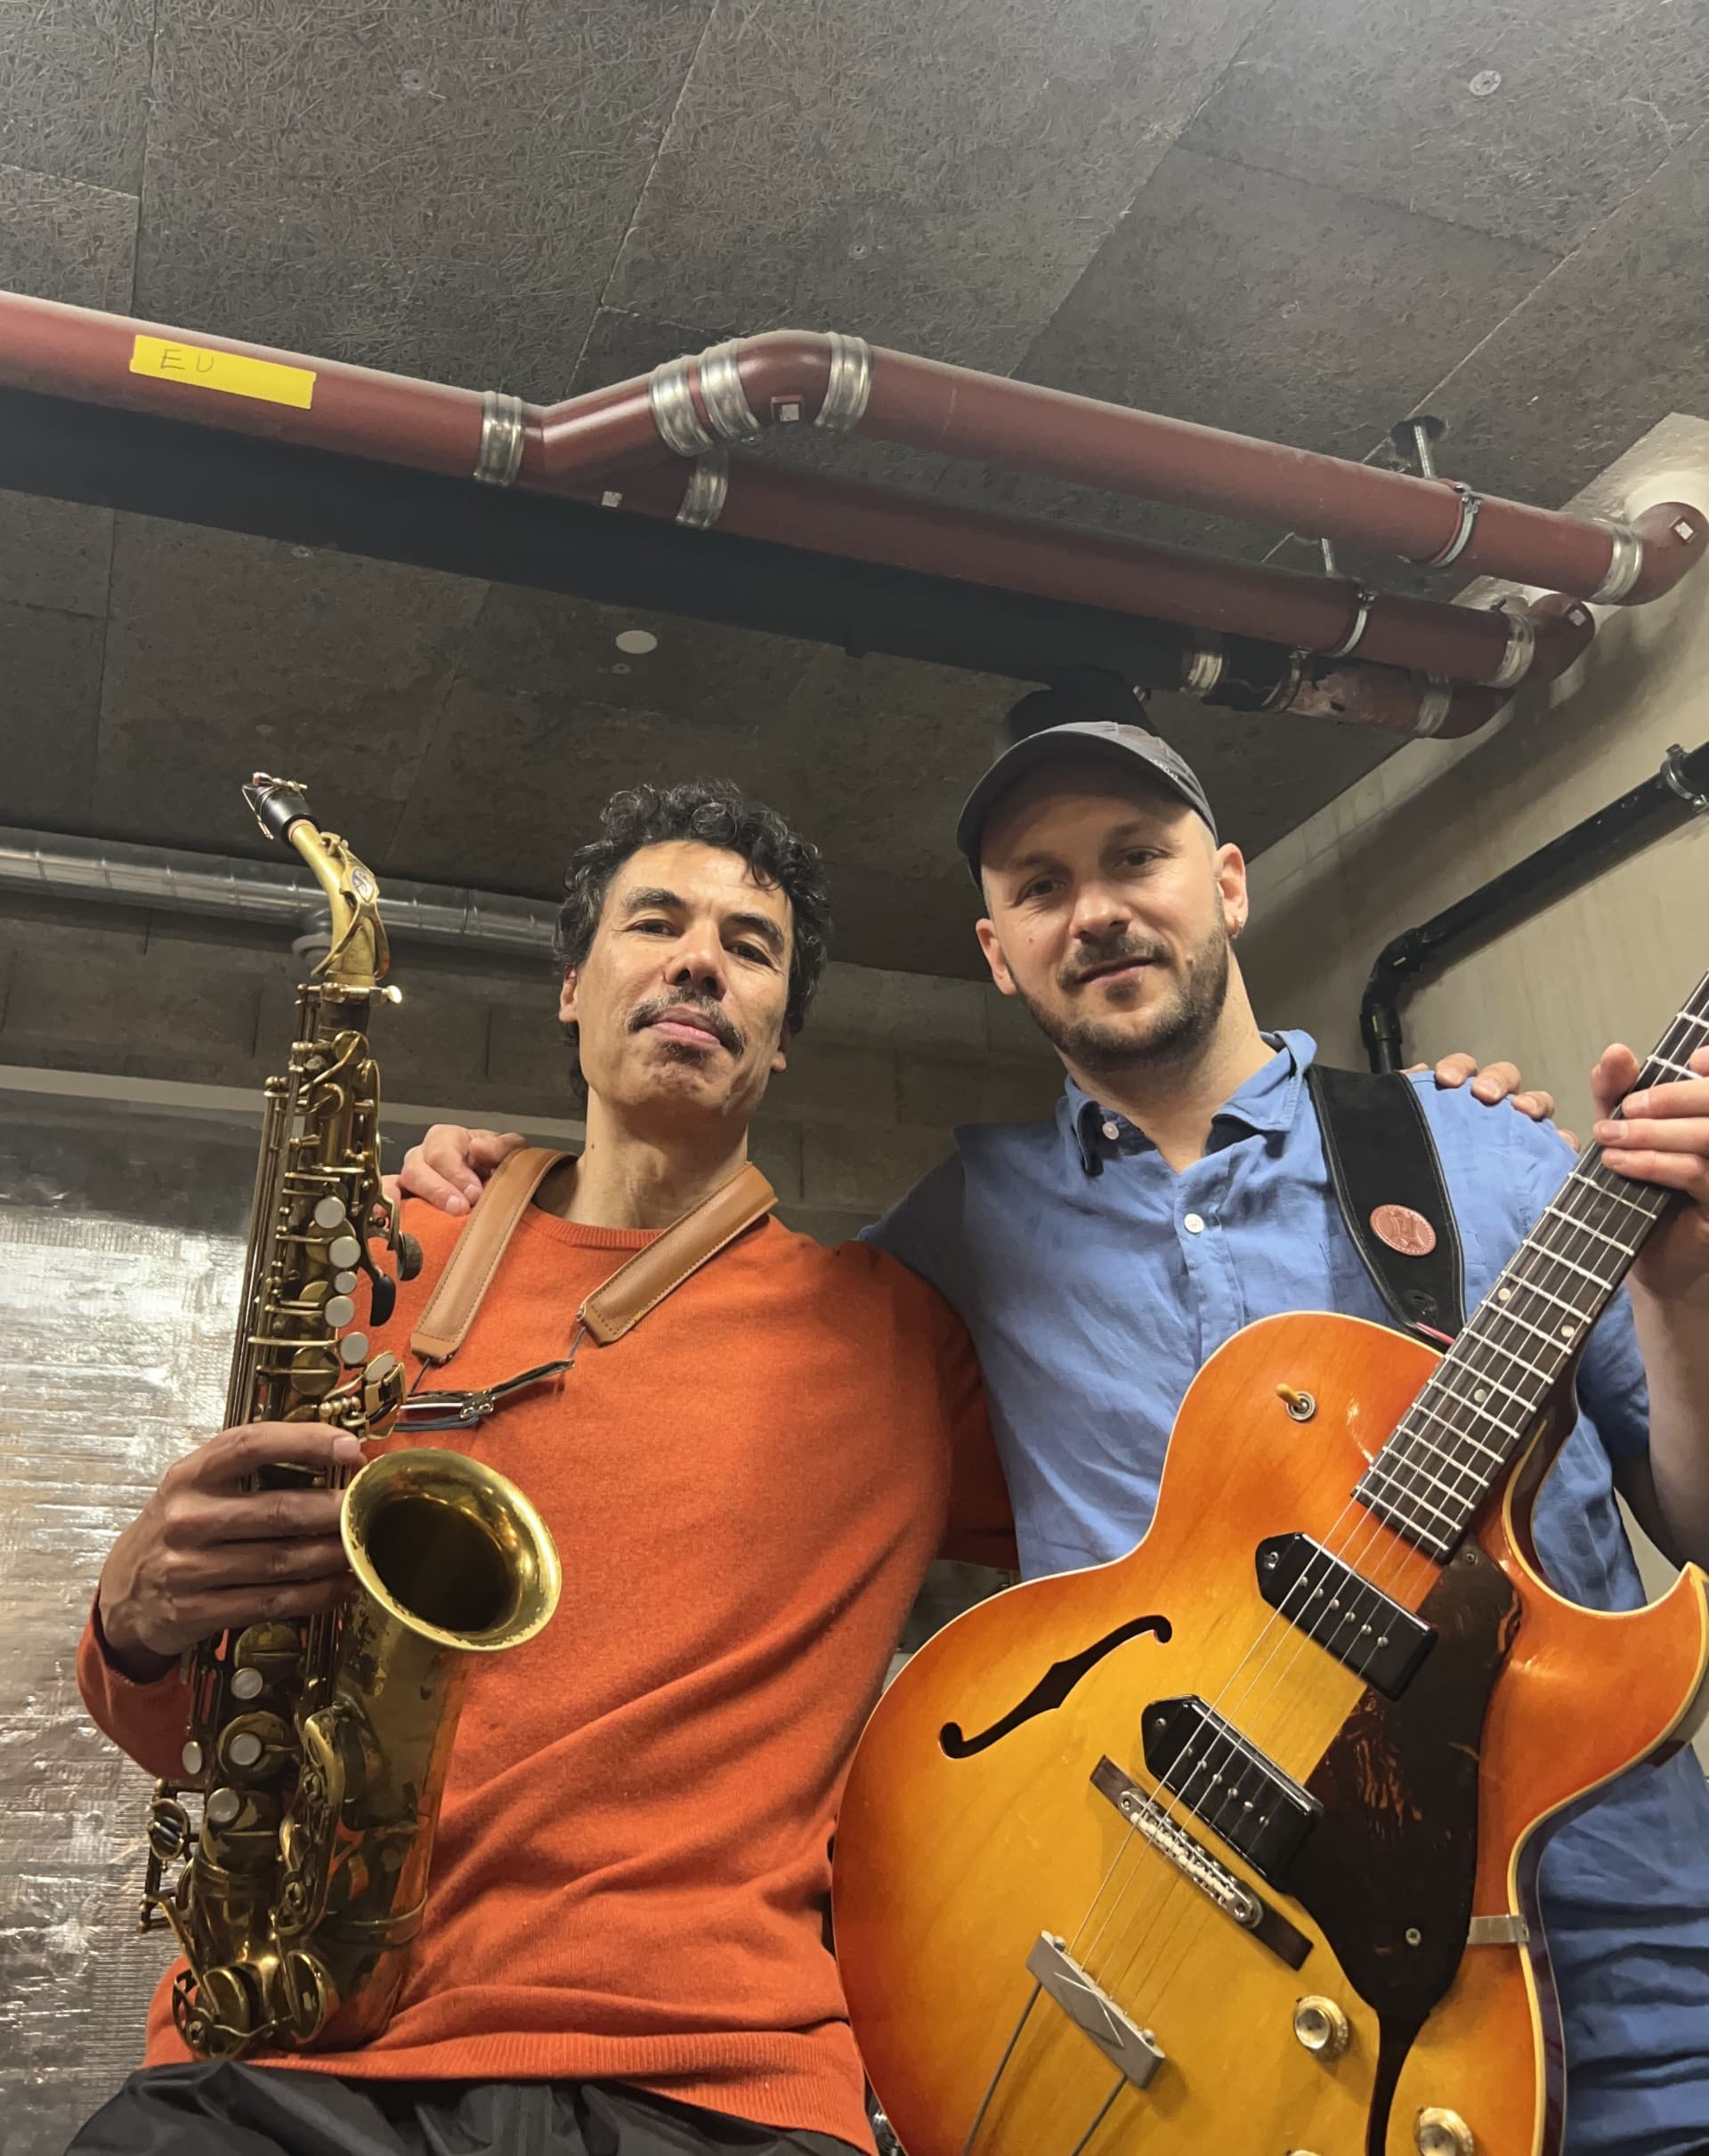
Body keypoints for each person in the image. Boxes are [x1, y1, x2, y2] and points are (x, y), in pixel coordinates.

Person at [408, 713, 1709, 2152]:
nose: (1094, 911)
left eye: (1135, 858)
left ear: (1228, 882)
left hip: (1624, 1983)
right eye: (1040, 886)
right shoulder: (952, 1241)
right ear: (996, 950)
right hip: (1217, 2031)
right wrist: (510, 1199)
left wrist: (1687, 1298)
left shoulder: (1485, 1145)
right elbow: (693, 1361)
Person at [68, 780, 1014, 2156]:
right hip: (291, 2049)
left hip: (713, 2086)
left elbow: (1165, 1508)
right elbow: (217, 1730)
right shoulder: (384, 1252)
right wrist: (134, 1622)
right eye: (656, 921)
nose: (701, 959)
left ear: (780, 1041)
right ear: (572, 989)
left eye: (751, 946)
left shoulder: (902, 1339)